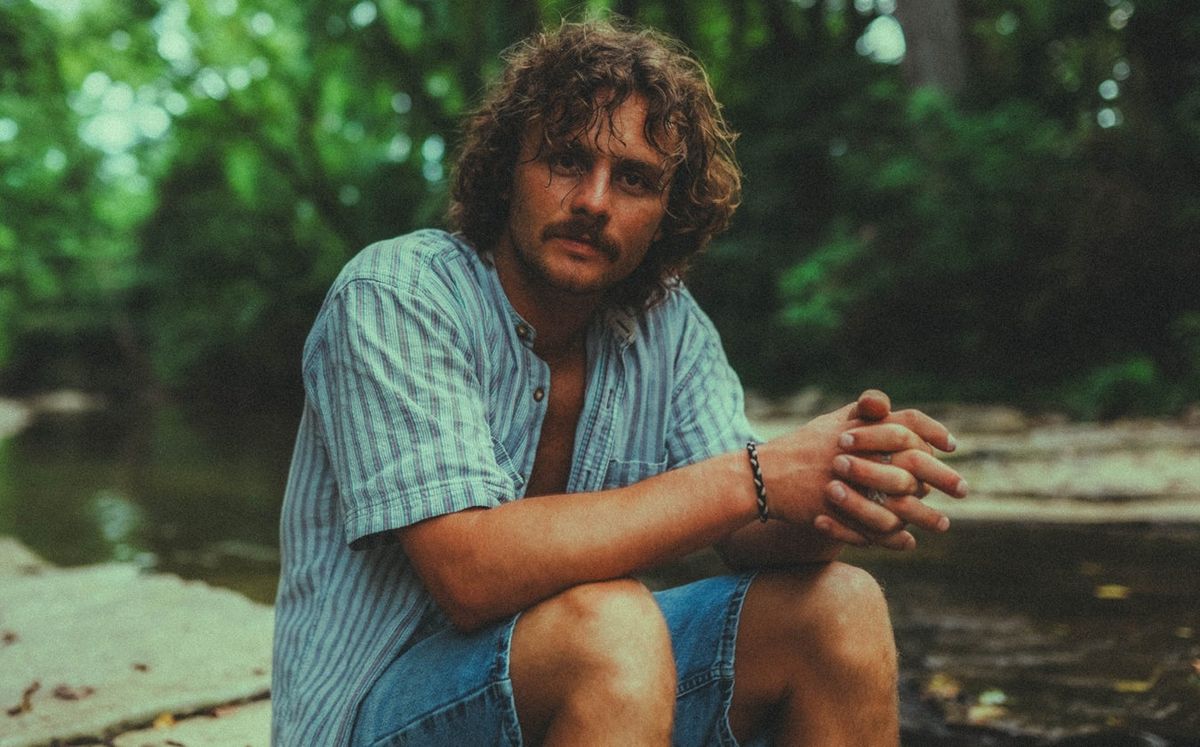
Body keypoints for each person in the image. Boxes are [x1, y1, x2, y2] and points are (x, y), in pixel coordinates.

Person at [272, 18, 968, 747]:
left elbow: (749, 529)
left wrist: (842, 482)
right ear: (508, 168)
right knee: (612, 625)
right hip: (371, 717)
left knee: (839, 607)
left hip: (587, 683)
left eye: (634, 178)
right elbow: (469, 573)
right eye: (567, 159)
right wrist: (758, 475)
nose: (594, 201)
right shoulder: (398, 293)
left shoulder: (669, 326)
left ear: (668, 211)